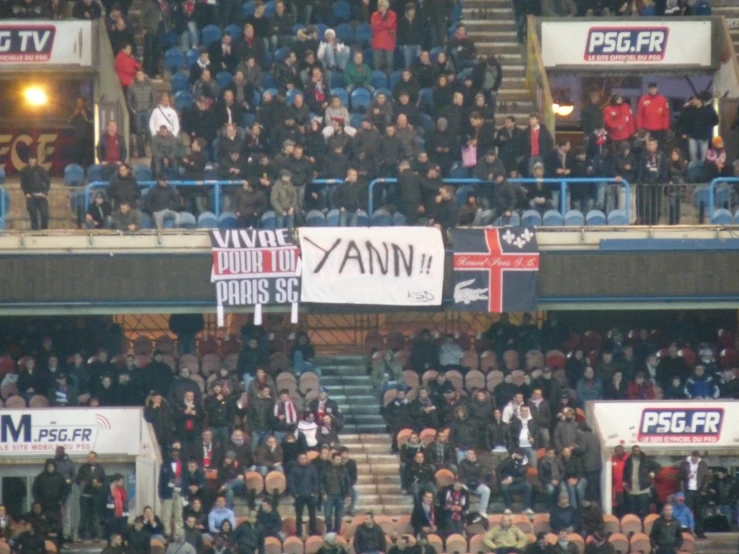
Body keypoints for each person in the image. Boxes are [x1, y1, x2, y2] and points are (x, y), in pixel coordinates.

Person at [624, 445, 660, 518]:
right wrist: (624, 481)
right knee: (633, 511)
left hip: (644, 490)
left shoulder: (646, 460)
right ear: (632, 451)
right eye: (635, 451)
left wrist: (653, 473)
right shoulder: (628, 460)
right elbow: (625, 472)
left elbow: (658, 466)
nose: (637, 452)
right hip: (632, 490)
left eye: (638, 451)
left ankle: (645, 526)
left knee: (645, 511)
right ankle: (635, 526)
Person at [678, 450, 708, 538]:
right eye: (693, 458)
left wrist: (704, 489)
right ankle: (687, 530)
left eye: (696, 458)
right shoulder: (684, 463)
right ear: (691, 456)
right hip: (688, 491)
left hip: (698, 491)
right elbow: (679, 476)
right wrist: (686, 477)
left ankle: (699, 531)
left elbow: (706, 478)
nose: (695, 460)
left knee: (699, 512)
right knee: (687, 511)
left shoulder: (703, 464)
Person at [20, 154, 51, 231]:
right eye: (30, 162)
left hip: (41, 195)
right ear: (28, 161)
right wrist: (26, 193)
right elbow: (23, 184)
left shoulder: (41, 169)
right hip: (31, 195)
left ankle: (44, 230)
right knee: (33, 214)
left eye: (33, 162)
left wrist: (45, 192)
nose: (32, 163)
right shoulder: (24, 170)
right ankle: (35, 231)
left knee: (44, 214)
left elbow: (47, 181)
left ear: (36, 161)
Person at [498, 450, 534, 515]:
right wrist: (502, 480)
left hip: (517, 482)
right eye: (517, 454)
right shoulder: (507, 461)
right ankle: (508, 507)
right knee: (503, 488)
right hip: (505, 482)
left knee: (528, 486)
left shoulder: (524, 465)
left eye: (520, 455)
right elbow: (498, 470)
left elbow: (523, 478)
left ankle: (526, 508)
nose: (518, 456)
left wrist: (513, 480)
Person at [457, 450, 491, 517]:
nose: (468, 455)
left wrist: (477, 483)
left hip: (476, 484)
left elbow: (482, 475)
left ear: (475, 455)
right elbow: (461, 475)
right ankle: (465, 509)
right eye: (468, 454)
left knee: (486, 490)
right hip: (466, 484)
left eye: (470, 454)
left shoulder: (479, 463)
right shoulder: (462, 462)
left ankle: (482, 511)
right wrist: (467, 482)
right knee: (461, 488)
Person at [370, 0, 397, 75]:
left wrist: (380, 23)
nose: (380, 7)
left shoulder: (392, 14)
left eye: (382, 6)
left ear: (386, 7)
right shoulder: (374, 15)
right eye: (379, 6)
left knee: (389, 63)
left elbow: (390, 24)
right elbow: (374, 27)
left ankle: (389, 80)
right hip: (377, 42)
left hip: (389, 42)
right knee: (376, 63)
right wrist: (386, 26)